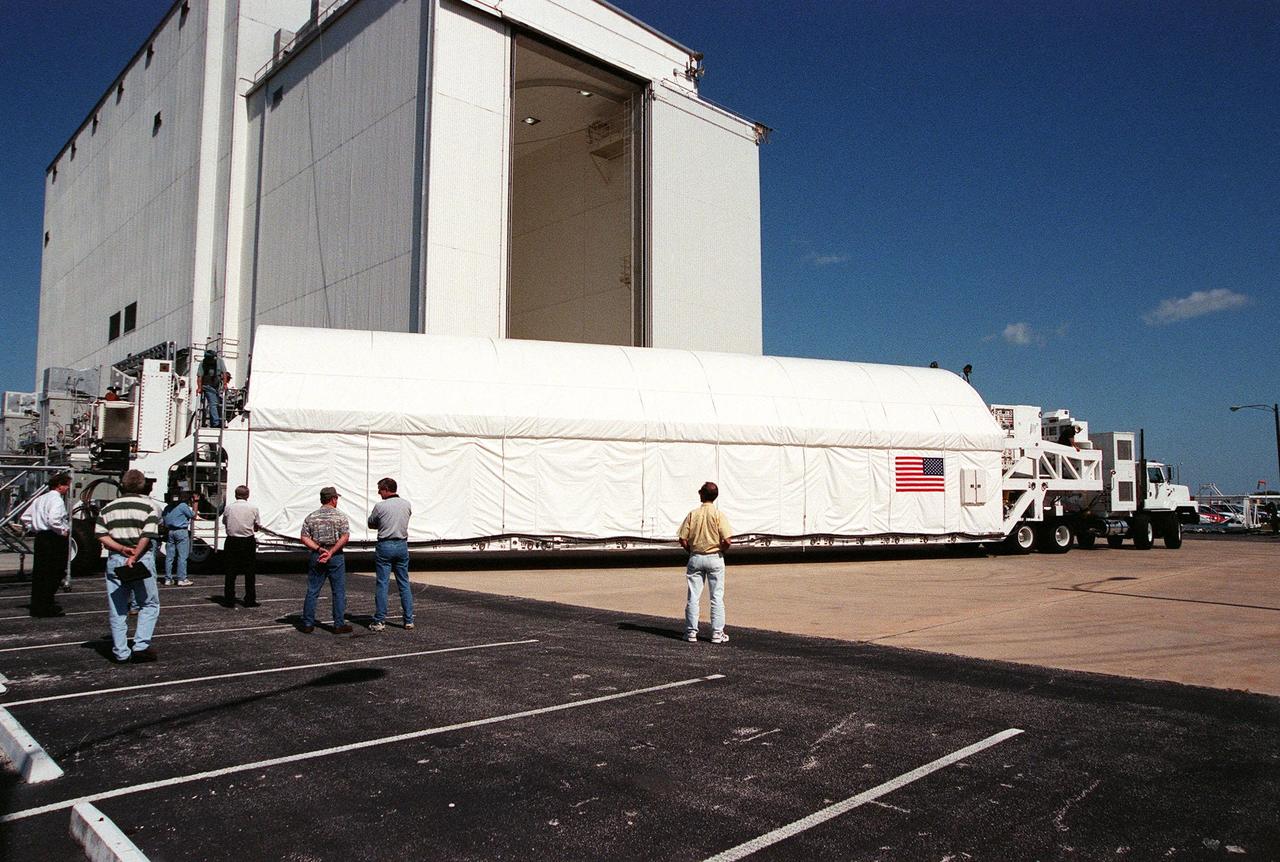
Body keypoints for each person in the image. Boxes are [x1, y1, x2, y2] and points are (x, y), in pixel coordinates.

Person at [95, 469, 161, 663]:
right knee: (148, 603)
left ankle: (121, 652)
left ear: (123, 485)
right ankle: (141, 646)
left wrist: (121, 548)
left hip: (116, 558)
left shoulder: (108, 508)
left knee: (118, 607)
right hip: (141, 559)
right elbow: (147, 535)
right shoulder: (148, 507)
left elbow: (100, 534)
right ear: (142, 485)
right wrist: (134, 554)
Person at [677, 481, 733, 644]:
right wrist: (721, 550)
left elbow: (682, 538)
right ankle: (717, 633)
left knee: (693, 596)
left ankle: (691, 632)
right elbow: (727, 540)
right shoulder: (718, 515)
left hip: (696, 556)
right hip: (715, 557)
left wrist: (691, 551)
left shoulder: (693, 514)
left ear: (702, 494)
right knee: (716, 597)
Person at [300, 486, 350, 634]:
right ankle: (338, 624)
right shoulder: (340, 516)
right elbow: (345, 537)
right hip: (336, 555)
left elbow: (304, 537)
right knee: (338, 591)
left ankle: (308, 623)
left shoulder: (311, 517)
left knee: (313, 590)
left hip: (318, 554)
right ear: (333, 499)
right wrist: (331, 551)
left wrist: (318, 549)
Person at [21, 473, 72, 618]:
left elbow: (25, 517)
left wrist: (34, 527)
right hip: (53, 538)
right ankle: (47, 605)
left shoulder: (40, 499)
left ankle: (38, 605)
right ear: (60, 485)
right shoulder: (57, 500)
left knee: (40, 573)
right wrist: (62, 530)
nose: (68, 488)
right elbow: (54, 519)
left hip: (41, 537)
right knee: (54, 572)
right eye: (66, 485)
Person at [367, 477, 414, 632]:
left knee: (383, 583)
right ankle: (408, 619)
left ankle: (380, 620)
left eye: (380, 489)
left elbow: (371, 523)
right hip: (401, 544)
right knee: (404, 583)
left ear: (386, 490)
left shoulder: (380, 506)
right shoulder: (406, 504)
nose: (379, 492)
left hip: (385, 544)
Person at [222, 485, 261, 607]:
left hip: (232, 540)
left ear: (235, 495)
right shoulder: (253, 508)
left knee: (230, 571)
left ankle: (229, 599)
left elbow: (225, 522)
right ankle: (249, 599)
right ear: (247, 495)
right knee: (249, 571)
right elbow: (257, 525)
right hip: (247, 540)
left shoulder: (229, 508)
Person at [161, 492, 195, 587]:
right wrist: (195, 503)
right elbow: (193, 515)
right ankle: (182, 579)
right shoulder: (183, 506)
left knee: (169, 557)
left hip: (170, 531)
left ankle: (168, 579)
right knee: (182, 556)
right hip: (181, 531)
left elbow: (164, 520)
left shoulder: (167, 508)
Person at [198, 349, 230, 428]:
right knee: (213, 403)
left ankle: (216, 421)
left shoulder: (220, 361)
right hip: (207, 386)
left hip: (217, 387)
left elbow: (224, 373)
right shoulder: (203, 363)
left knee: (217, 403)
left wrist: (225, 384)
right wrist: (199, 388)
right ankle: (216, 423)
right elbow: (199, 376)